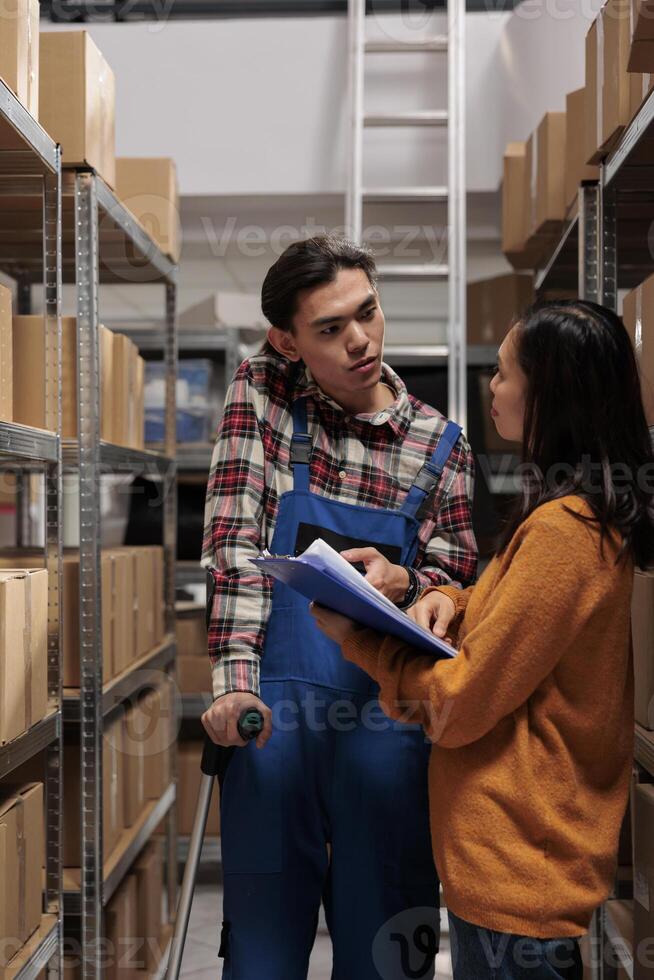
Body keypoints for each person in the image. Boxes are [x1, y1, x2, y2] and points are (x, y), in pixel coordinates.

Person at [312, 299, 654, 980]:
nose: (489, 388)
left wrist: (364, 640)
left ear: (547, 390)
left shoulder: (566, 533)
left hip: (518, 877)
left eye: (501, 373)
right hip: (509, 871)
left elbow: (460, 705)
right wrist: (443, 599)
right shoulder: (564, 519)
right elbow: (526, 620)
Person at [200, 235, 477, 980]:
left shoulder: (441, 445)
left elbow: (457, 585)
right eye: (328, 329)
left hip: (389, 728)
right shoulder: (262, 393)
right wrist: (234, 686)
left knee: (387, 949)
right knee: (261, 948)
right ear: (286, 341)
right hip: (274, 726)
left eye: (368, 312)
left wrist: (411, 585)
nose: (359, 340)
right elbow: (233, 542)